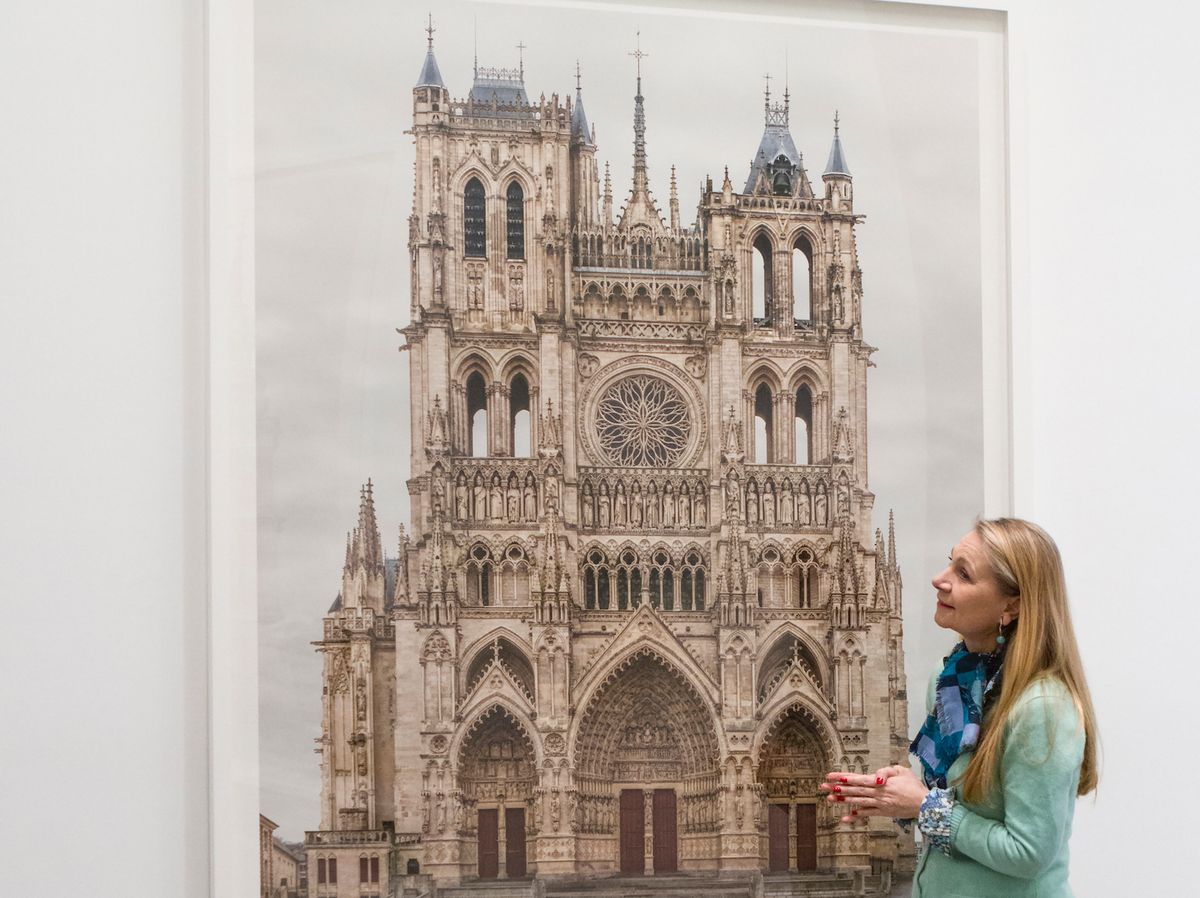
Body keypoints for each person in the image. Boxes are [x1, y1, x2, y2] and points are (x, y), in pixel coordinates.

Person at [820, 518, 1098, 897]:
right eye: (950, 561)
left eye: (963, 574)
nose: (940, 578)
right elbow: (953, 803)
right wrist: (894, 795)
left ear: (1011, 606)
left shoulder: (1042, 708)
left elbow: (1029, 853)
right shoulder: (950, 678)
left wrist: (923, 806)